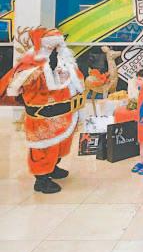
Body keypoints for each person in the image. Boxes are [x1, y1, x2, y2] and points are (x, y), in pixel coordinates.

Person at [0, 28, 85, 194]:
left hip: (64, 113)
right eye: (53, 44)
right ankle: (41, 179)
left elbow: (75, 77)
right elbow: (20, 83)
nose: (57, 47)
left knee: (60, 144)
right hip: (43, 117)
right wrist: (45, 71)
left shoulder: (62, 58)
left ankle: (52, 167)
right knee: (43, 148)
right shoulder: (30, 63)